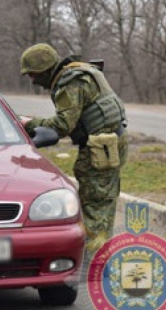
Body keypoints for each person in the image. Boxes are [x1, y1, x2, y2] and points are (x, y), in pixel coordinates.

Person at [20, 43, 128, 254]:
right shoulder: (83, 71)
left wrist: (28, 123)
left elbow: (62, 126)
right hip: (110, 144)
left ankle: (94, 266)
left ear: (46, 70)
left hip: (100, 150)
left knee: (96, 208)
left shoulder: (70, 82)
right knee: (101, 205)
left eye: (33, 74)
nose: (32, 80)